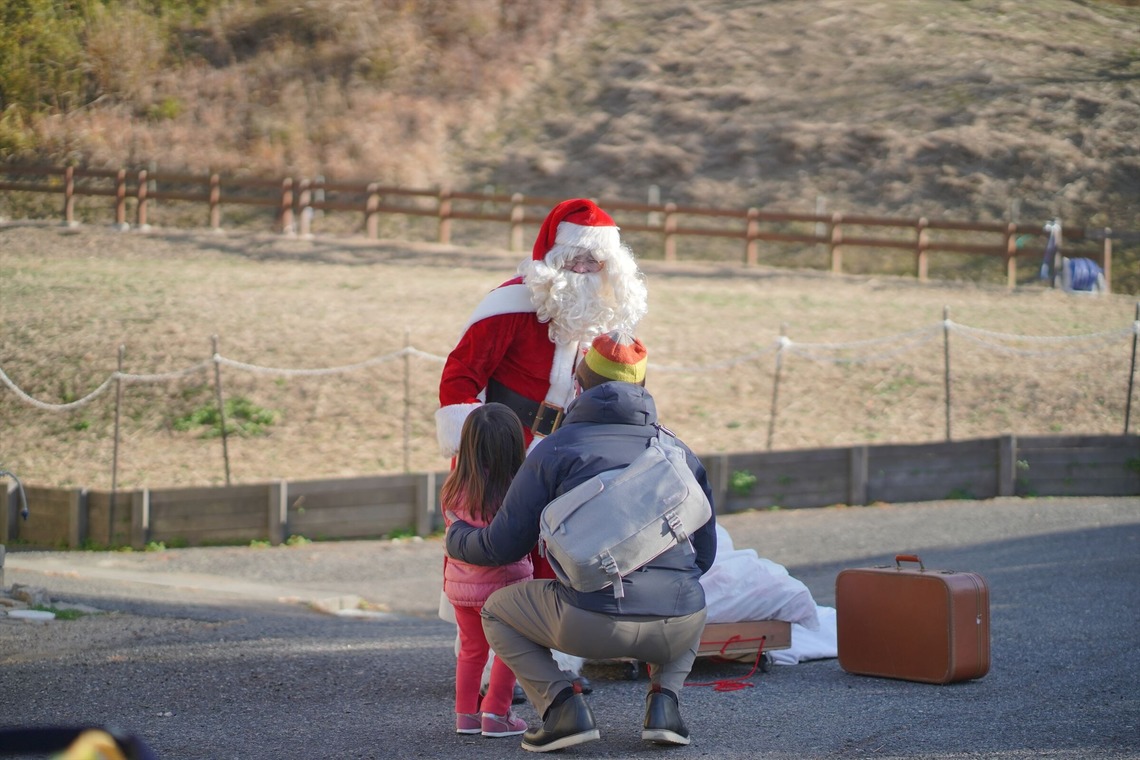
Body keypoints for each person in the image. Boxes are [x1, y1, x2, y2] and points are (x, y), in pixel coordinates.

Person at [446, 332, 718, 753]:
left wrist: (458, 538)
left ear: (581, 383)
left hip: (589, 626)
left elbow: (502, 547)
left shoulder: (555, 450)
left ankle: (561, 707)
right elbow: (704, 557)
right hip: (676, 630)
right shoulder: (679, 452)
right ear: (642, 387)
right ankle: (666, 705)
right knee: (689, 592)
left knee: (498, 611)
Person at [436, 198, 650, 689]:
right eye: (575, 258)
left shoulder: (605, 313)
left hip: (564, 449)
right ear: (552, 258)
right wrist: (475, 447)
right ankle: (490, 668)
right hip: (501, 451)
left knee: (556, 556)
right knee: (494, 560)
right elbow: (460, 376)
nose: (584, 269)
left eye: (595, 261)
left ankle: (552, 665)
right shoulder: (509, 304)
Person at [441, 402, 533, 738]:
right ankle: (496, 713)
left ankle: (466, 715)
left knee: (471, 649)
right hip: (506, 588)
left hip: (462, 588)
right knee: (511, 648)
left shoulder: (452, 486)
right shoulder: (514, 489)